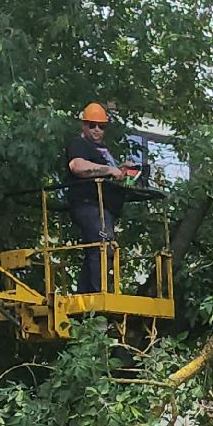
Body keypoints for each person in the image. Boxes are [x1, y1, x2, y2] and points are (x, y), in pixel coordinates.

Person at [62, 101, 140, 293]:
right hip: (88, 205)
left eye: (101, 126)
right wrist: (109, 170)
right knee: (101, 247)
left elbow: (107, 171)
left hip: (104, 208)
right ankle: (98, 292)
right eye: (92, 125)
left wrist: (120, 170)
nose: (97, 130)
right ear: (84, 125)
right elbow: (77, 167)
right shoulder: (79, 144)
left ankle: (87, 292)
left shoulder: (103, 150)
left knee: (103, 248)